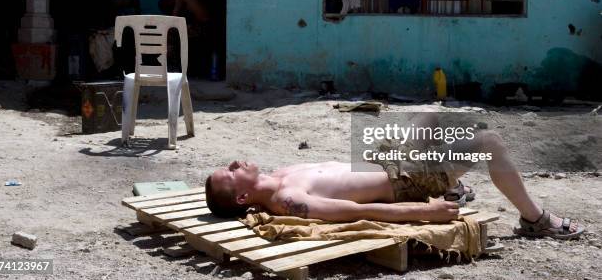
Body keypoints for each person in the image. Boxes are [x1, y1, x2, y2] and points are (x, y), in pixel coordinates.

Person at [205, 114, 584, 240]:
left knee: (429, 117)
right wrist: (426, 212)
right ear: (241, 198)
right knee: (491, 142)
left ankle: (452, 182)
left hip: (387, 160)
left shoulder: (282, 174)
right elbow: (356, 215)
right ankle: (536, 220)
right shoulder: (289, 201)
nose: (236, 162)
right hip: (406, 181)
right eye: (231, 172)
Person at [158, 0, 213, 76]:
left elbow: (175, 18)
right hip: (193, 30)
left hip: (204, 28)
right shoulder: (185, 11)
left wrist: (174, 19)